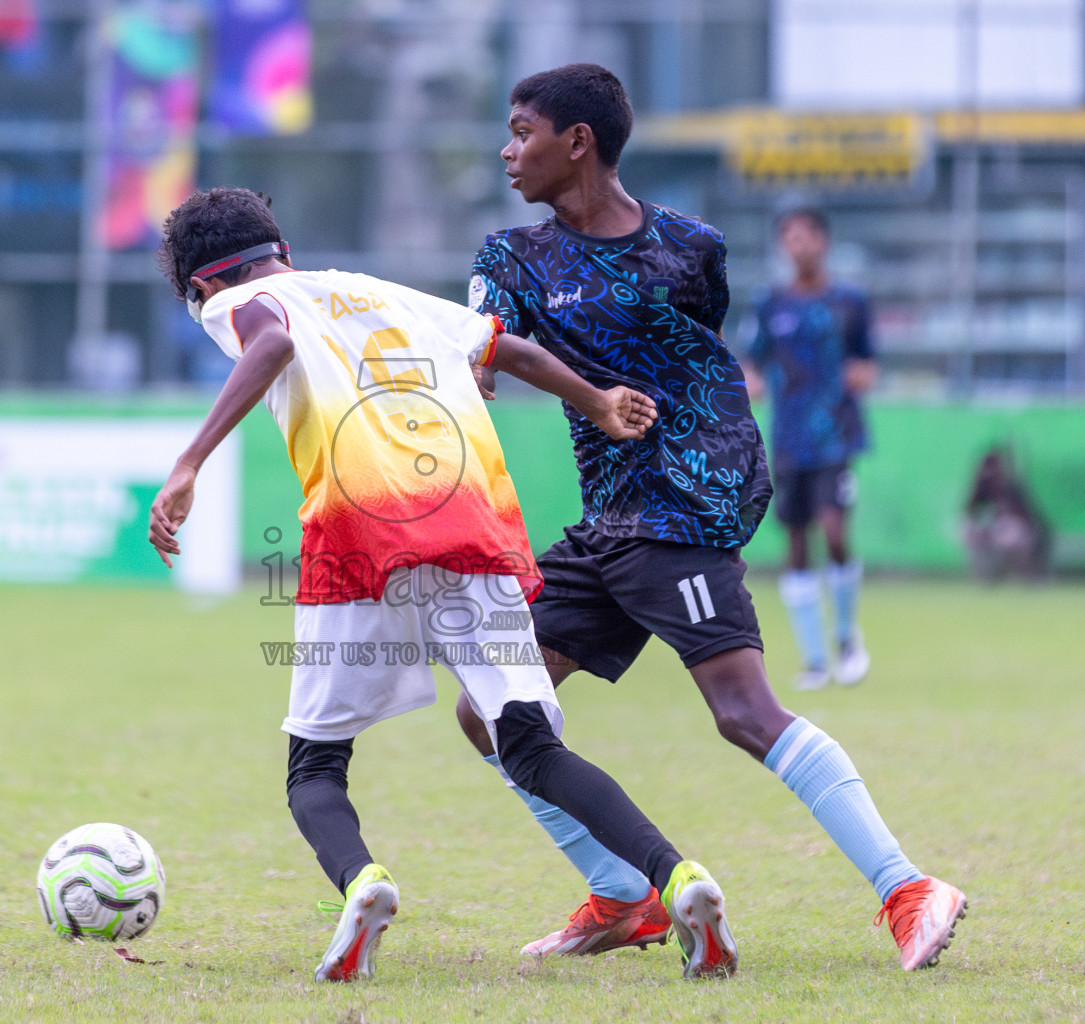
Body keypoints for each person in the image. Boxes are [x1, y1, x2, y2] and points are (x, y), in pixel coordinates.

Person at [148, 186, 739, 983]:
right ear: (278, 244)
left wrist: (187, 462)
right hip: (475, 526)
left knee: (314, 766)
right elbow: (508, 351)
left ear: (201, 285)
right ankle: (676, 878)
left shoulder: (243, 300)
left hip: (360, 533)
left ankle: (363, 883)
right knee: (530, 746)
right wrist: (596, 401)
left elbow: (269, 345)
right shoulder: (377, 292)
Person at [458, 64, 966, 972]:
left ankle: (907, 886)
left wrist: (709, 473)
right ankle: (622, 896)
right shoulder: (510, 258)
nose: (507, 149)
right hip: (607, 523)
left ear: (577, 141)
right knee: (488, 706)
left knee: (742, 711)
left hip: (682, 511)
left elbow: (701, 369)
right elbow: (492, 349)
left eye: (522, 130)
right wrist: (482, 374)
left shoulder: (692, 246)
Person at [743, 208, 877, 690]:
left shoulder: (850, 301)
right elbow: (753, 362)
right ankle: (815, 660)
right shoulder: (770, 303)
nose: (797, 245)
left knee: (834, 529)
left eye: (806, 236)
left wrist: (863, 374)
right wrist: (750, 383)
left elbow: (867, 358)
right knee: (797, 544)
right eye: (789, 238)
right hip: (789, 438)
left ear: (823, 240)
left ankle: (846, 639)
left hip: (836, 435)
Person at [963, 447, 1051, 581]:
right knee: (973, 536)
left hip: (1018, 532)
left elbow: (1026, 518)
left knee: (1015, 539)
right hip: (991, 531)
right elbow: (971, 512)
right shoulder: (982, 488)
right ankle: (985, 577)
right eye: (988, 467)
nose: (991, 471)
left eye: (995, 467)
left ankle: (1028, 575)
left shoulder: (1012, 487)